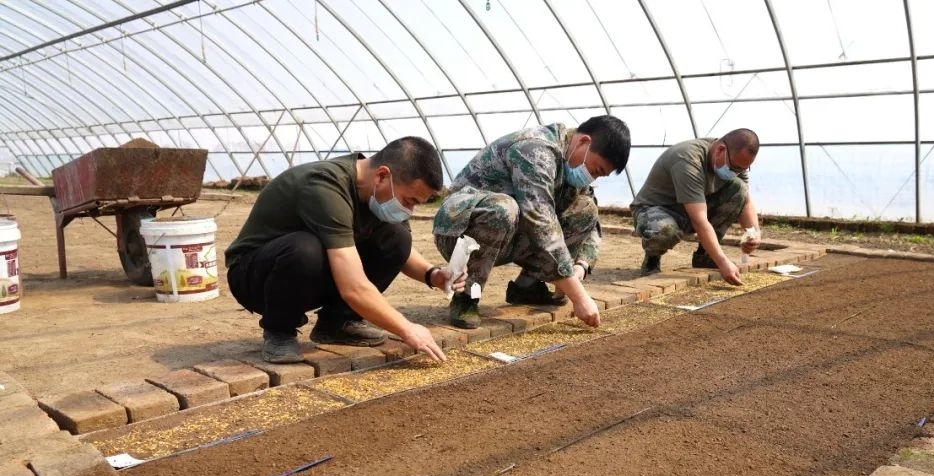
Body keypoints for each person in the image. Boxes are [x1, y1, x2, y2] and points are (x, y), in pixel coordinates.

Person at [225, 137, 462, 364]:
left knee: (397, 236)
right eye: (409, 200)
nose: (409, 210)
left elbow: (398, 251)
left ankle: (337, 323)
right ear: (382, 175)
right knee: (306, 248)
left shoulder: (375, 195)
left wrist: (432, 275)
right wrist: (407, 329)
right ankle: (279, 332)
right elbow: (353, 287)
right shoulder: (324, 186)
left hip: (306, 274)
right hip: (254, 276)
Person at [431, 115, 631, 330]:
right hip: (459, 231)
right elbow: (540, 220)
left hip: (509, 234)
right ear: (583, 142)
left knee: (585, 209)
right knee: (502, 209)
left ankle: (528, 286)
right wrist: (579, 296)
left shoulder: (572, 163)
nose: (592, 177)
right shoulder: (535, 149)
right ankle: (468, 295)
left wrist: (581, 265)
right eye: (595, 170)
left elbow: (592, 225)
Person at [630, 128, 762, 285]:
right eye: (734, 168)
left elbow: (745, 201)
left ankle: (705, 256)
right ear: (721, 150)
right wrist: (723, 262)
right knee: (665, 231)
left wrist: (753, 234)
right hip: (655, 210)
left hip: (691, 210)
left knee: (738, 188)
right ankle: (652, 259)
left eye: (742, 169)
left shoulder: (735, 162)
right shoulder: (688, 160)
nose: (736, 172)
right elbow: (699, 220)